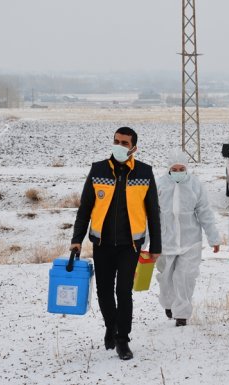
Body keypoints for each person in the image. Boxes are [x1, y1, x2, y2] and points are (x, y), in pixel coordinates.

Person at [71, 126, 161, 360]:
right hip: (102, 244)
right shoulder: (98, 170)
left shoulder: (144, 172)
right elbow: (85, 209)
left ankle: (123, 339)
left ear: (133, 148)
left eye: (124, 143)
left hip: (130, 246)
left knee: (123, 291)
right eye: (116, 141)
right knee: (104, 292)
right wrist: (76, 240)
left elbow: (153, 213)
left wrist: (156, 246)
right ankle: (111, 326)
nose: (119, 146)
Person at [155, 150, 221, 327]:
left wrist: (213, 238)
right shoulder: (159, 185)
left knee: (184, 277)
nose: (178, 171)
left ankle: (182, 314)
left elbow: (205, 212)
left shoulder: (195, 185)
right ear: (169, 169)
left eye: (181, 168)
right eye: (174, 169)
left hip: (190, 240)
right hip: (165, 241)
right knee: (166, 278)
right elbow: (150, 215)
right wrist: (144, 241)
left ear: (187, 168)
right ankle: (169, 304)